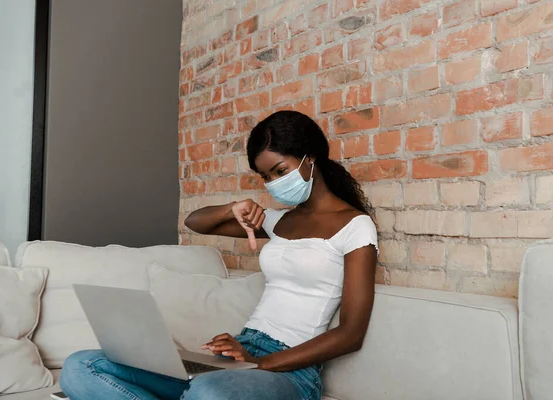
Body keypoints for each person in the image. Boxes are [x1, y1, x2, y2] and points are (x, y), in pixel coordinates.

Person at [59, 110, 378, 400]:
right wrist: (232, 208)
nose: (273, 184)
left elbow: (350, 334)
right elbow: (193, 222)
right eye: (266, 177)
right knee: (81, 366)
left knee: (209, 393)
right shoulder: (279, 221)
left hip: (289, 370)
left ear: (311, 159)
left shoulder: (355, 226)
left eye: (280, 171)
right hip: (240, 353)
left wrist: (261, 363)